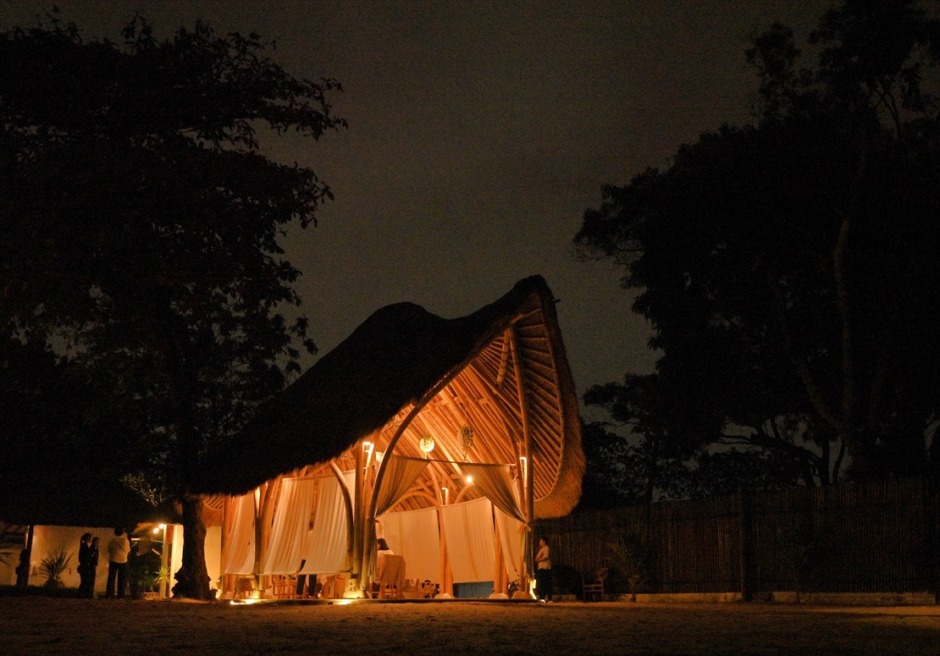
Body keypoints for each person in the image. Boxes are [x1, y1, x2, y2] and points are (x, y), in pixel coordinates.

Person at [106, 528, 130, 599]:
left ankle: (109, 595)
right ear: (122, 533)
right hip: (123, 560)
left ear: (114, 532)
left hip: (113, 559)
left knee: (111, 578)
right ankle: (121, 596)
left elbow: (109, 549)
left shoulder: (112, 540)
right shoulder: (125, 541)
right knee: (122, 579)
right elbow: (128, 550)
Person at [534, 535, 552, 603]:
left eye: (540, 541)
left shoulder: (546, 548)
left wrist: (538, 560)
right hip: (541, 568)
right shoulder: (541, 549)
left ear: (544, 541)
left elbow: (545, 557)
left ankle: (549, 598)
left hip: (545, 568)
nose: (539, 542)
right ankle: (542, 597)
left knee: (546, 583)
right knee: (542, 583)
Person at [78, 533, 95, 598]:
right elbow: (85, 556)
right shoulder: (84, 546)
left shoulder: (83, 545)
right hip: (85, 566)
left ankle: (81, 594)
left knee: (84, 581)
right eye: (89, 538)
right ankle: (81, 594)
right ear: (87, 538)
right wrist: (91, 556)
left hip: (83, 565)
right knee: (85, 581)